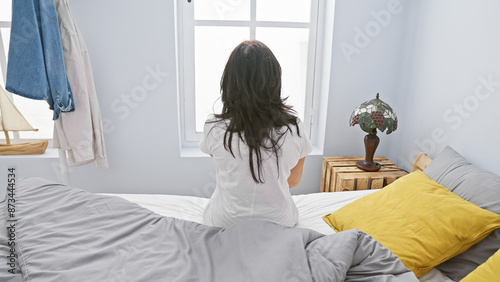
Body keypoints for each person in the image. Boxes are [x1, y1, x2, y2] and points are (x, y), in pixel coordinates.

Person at [199, 40, 313, 228]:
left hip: (225, 222)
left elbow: (227, 168)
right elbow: (293, 181)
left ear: (228, 82)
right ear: (275, 80)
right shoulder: (294, 127)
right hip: (279, 222)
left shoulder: (214, 127)